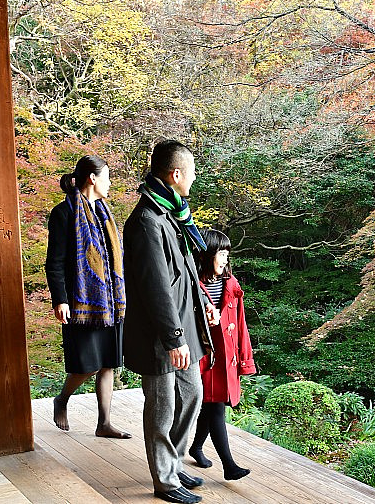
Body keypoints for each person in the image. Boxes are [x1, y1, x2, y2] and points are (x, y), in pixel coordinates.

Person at [123, 140, 218, 504]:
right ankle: (164, 479)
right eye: (191, 173)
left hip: (184, 324)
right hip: (160, 334)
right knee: (162, 407)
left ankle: (173, 461)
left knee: (192, 395)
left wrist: (206, 304)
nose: (194, 180)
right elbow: (155, 288)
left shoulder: (172, 214)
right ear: (176, 174)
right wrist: (173, 338)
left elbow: (187, 272)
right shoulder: (148, 221)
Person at [45, 155, 131, 439]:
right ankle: (62, 399)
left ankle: (104, 423)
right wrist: (60, 299)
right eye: (107, 177)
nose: (110, 183)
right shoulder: (64, 213)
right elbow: (55, 261)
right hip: (81, 302)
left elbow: (113, 259)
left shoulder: (106, 213)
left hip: (110, 302)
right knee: (86, 365)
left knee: (108, 361)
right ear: (92, 178)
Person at [188, 229, 256, 481]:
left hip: (225, 356)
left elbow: (240, 324)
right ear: (207, 254)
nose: (225, 259)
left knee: (212, 404)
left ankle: (196, 447)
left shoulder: (231, 284)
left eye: (228, 254)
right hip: (203, 356)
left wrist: (244, 359)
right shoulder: (192, 282)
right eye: (221, 253)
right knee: (215, 406)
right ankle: (229, 465)